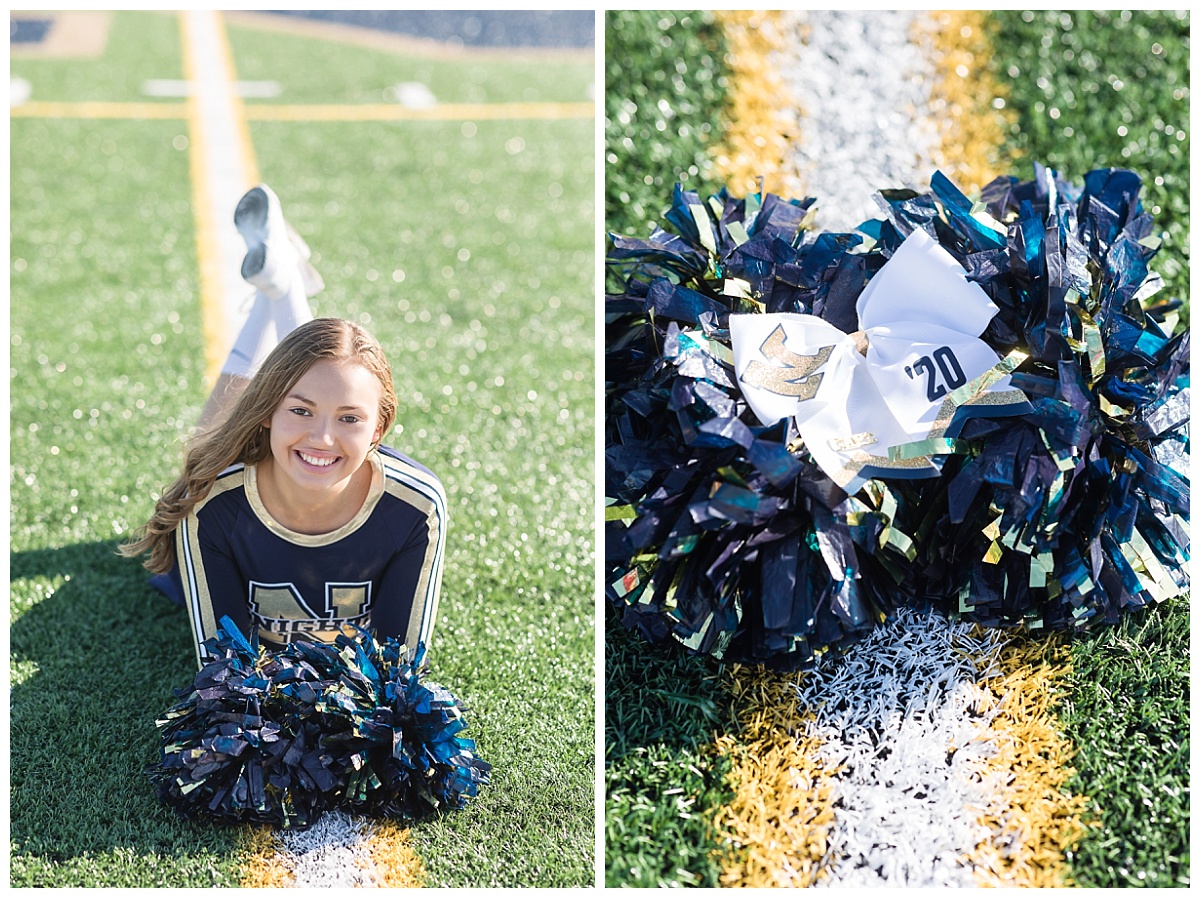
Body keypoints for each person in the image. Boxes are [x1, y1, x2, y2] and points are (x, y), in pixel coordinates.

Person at [123, 186, 447, 669]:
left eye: (352, 420)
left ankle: (280, 288)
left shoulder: (413, 507)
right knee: (211, 454)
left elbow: (399, 671)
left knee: (319, 387)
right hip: (241, 487)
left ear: (379, 431)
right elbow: (226, 672)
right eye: (296, 413)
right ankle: (284, 288)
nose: (322, 437)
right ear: (268, 414)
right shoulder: (213, 505)